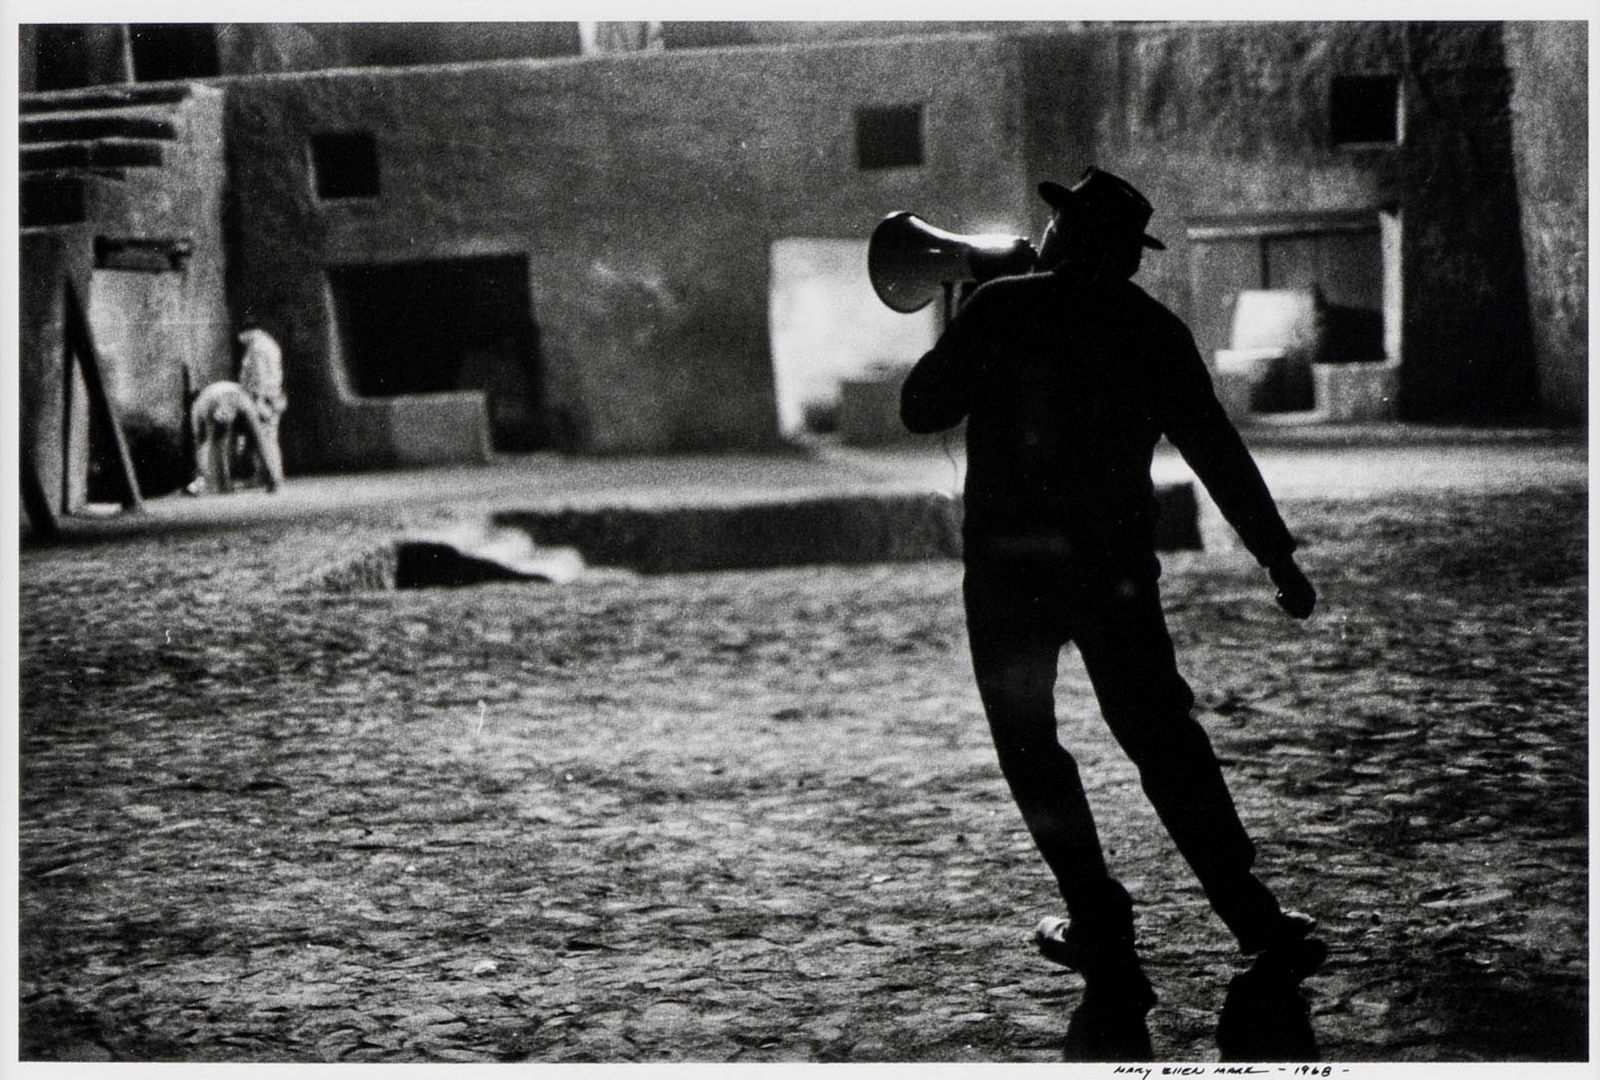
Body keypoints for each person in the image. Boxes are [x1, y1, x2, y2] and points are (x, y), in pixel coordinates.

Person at [900, 167, 1324, 1006]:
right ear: (1128, 257)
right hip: (1113, 574)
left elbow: (922, 408)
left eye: (1056, 224)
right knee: (1164, 737)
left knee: (1030, 746)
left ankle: (1097, 917)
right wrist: (1277, 556)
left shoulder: (1003, 307)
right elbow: (1217, 453)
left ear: (1064, 235)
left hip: (1008, 575)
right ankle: (1252, 915)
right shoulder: (1152, 328)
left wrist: (966, 304)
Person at [186, 327, 288, 496]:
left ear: (249, 332)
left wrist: (259, 399)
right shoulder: (268, 345)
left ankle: (222, 483)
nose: (240, 339)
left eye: (241, 335)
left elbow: (202, 440)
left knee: (221, 440)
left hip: (246, 398)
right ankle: (272, 479)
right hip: (249, 397)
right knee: (263, 439)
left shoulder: (257, 348)